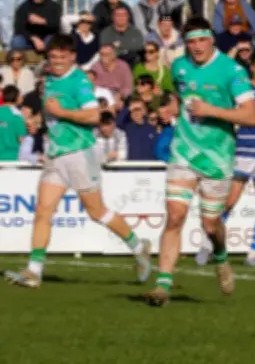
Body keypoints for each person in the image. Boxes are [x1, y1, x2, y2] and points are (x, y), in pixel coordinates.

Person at [4, 35, 152, 289]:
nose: (57, 62)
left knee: (97, 212)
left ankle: (138, 247)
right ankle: (34, 271)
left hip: (80, 153)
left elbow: (95, 116)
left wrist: (61, 113)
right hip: (56, 154)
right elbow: (53, 115)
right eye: (53, 57)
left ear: (73, 57)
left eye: (62, 57)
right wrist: (41, 123)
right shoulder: (50, 79)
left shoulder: (79, 81)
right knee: (43, 210)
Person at [144, 17, 255, 307]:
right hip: (183, 152)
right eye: (191, 42)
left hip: (217, 159)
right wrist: (168, 108)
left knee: (210, 226)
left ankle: (220, 255)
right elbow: (180, 96)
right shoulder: (179, 66)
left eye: (201, 40)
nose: (196, 47)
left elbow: (250, 115)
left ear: (212, 40)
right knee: (175, 216)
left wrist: (212, 111)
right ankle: (163, 285)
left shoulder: (232, 71)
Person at [195, 48, 255, 267]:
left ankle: (253, 253)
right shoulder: (242, 92)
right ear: (252, 69)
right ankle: (207, 246)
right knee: (228, 203)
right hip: (242, 153)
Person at [0, 85, 26, 160]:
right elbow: (21, 139)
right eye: (20, 95)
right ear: (16, 97)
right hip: (11, 157)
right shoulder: (16, 115)